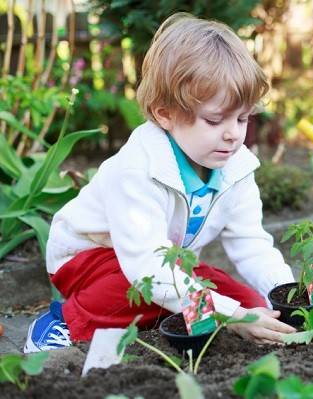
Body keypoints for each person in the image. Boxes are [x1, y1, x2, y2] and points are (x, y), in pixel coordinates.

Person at [24, 12, 297, 353]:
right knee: (152, 293)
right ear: (165, 114)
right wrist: (233, 316)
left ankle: (164, 314)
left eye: (242, 118)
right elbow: (145, 268)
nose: (232, 134)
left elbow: (250, 242)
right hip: (91, 260)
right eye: (214, 120)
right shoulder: (138, 167)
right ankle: (65, 319)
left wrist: (285, 291)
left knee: (248, 301)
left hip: (164, 261)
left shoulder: (236, 167)